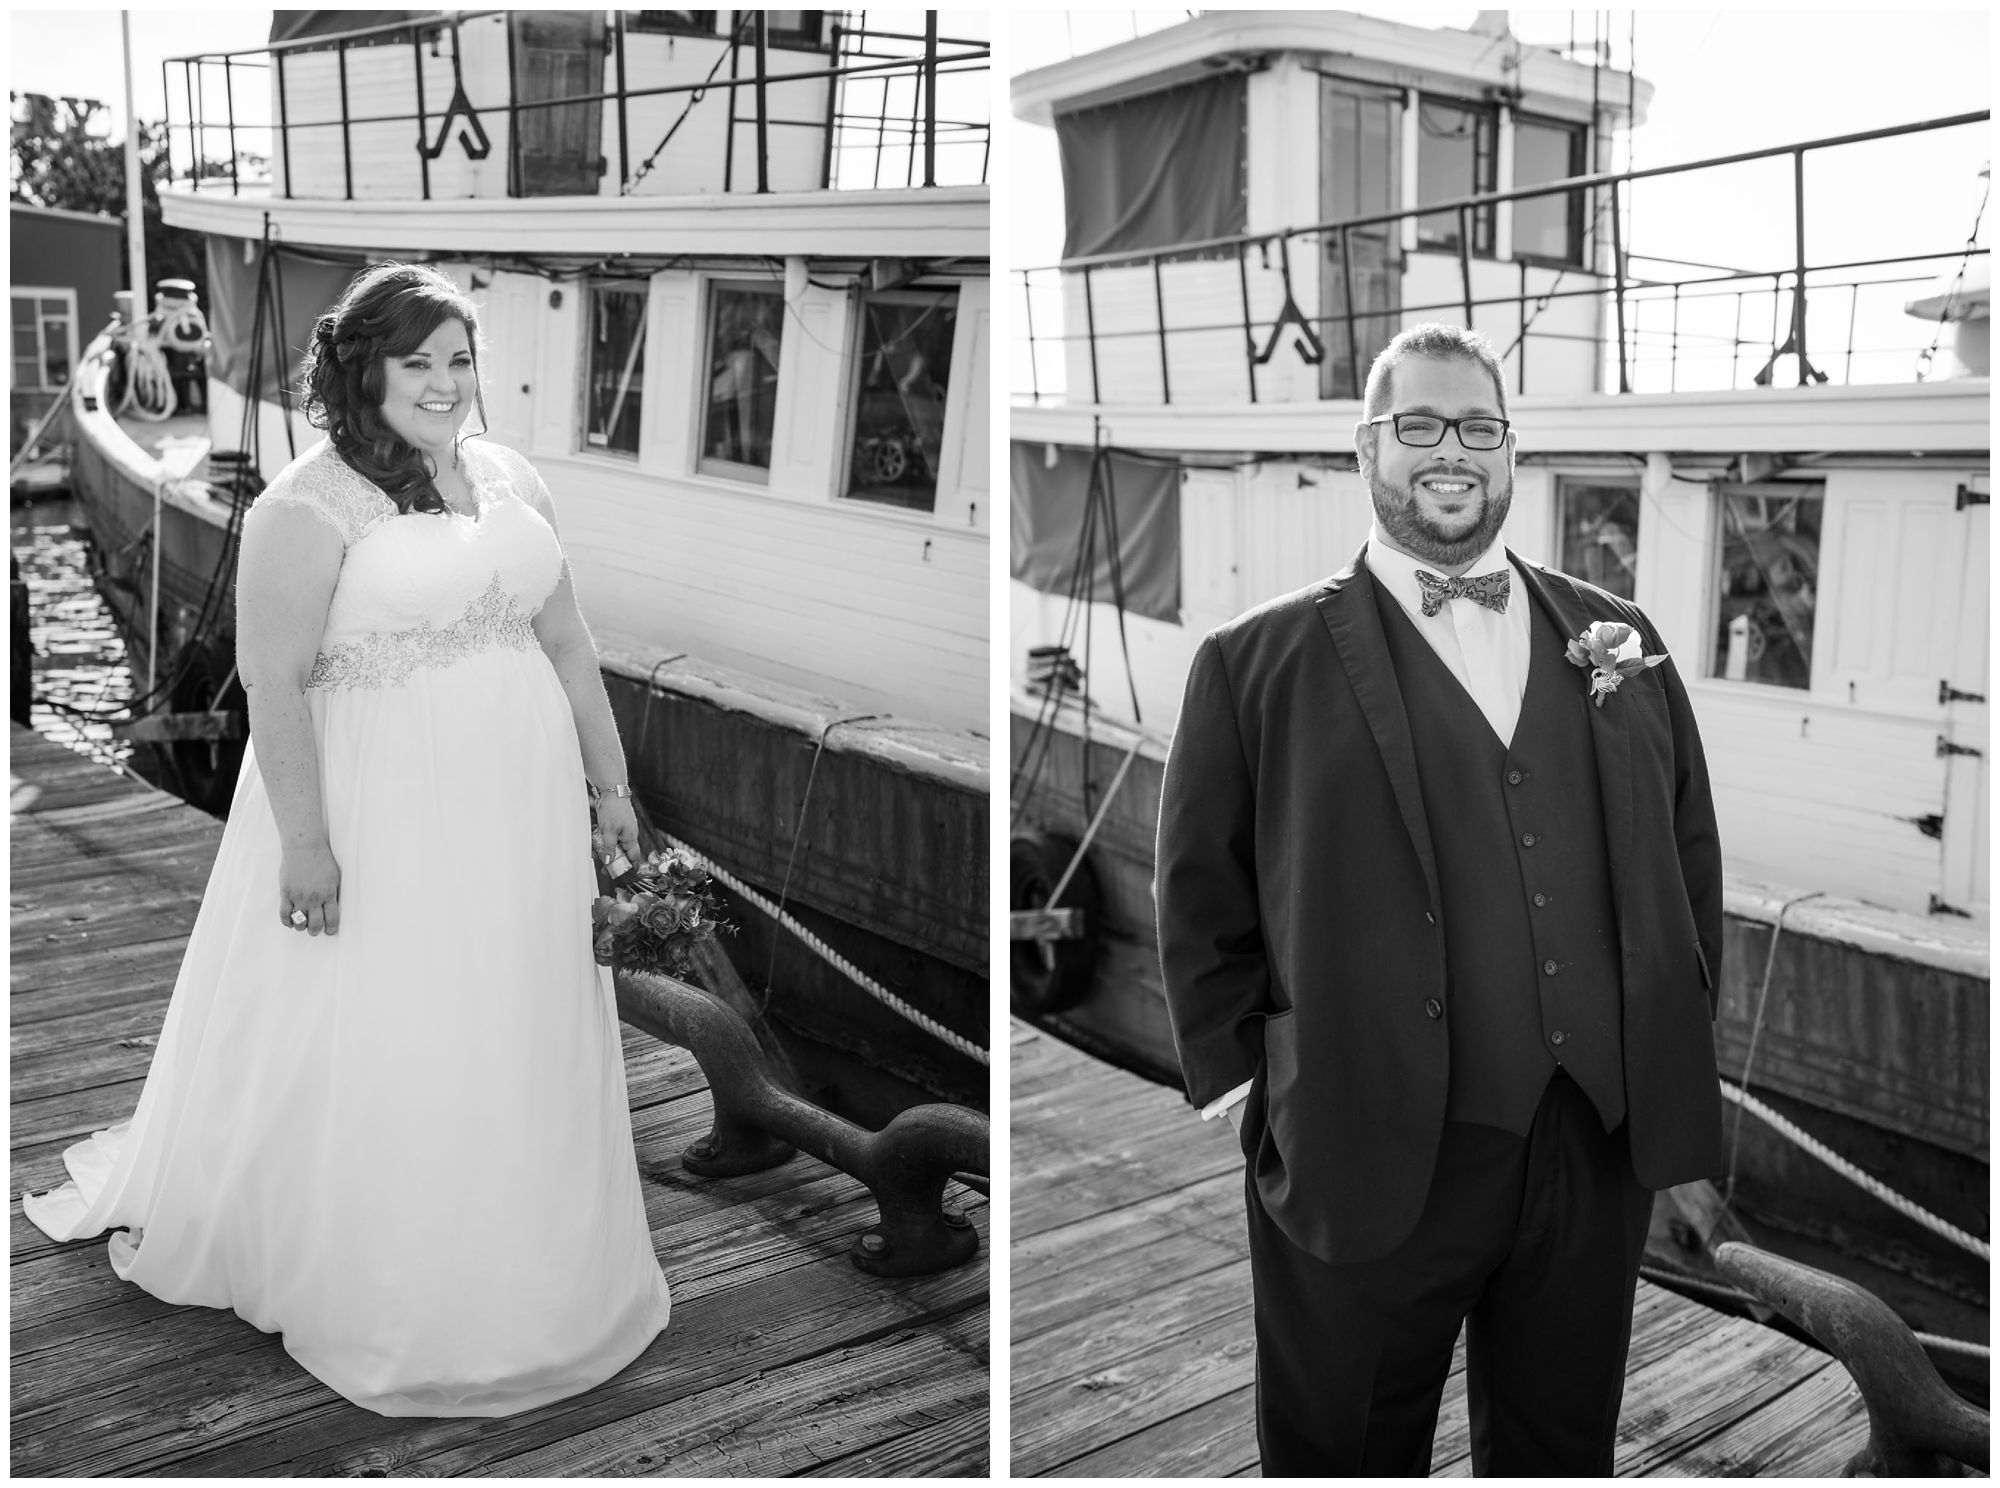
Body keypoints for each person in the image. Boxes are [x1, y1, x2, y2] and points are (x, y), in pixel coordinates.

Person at [22, 262, 672, 1417]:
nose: (443, 383)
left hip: (516, 800)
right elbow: (272, 685)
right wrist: (307, 848)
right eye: (416, 361)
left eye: (459, 359)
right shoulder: (302, 508)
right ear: (362, 370)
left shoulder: (511, 476)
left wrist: (608, 786)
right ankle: (401, 1268)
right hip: (383, 801)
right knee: (404, 1009)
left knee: (510, 1005)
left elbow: (569, 641)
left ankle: (523, 1231)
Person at [1156, 323, 1725, 1475]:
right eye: (1416, 425)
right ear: (1367, 449)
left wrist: (1665, 1043)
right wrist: (1248, 1094)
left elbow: (1685, 856)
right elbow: (1197, 890)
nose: (1447, 451)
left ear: (1510, 452)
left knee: (1559, 1446)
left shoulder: (1617, 640)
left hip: (1588, 1139)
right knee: (1345, 1447)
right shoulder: (1250, 659)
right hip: (1362, 1142)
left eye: (1475, 426)